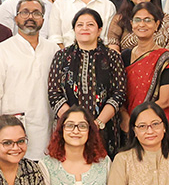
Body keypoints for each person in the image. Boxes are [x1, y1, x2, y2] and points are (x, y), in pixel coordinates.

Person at [0, 0, 60, 161]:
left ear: (43, 20)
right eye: (25, 12)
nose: (30, 17)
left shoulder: (53, 50)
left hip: (45, 125)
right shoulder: (1, 51)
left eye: (36, 13)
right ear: (16, 18)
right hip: (11, 129)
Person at [48, 9, 127, 154]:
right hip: (69, 130)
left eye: (90, 24)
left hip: (104, 128)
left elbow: (119, 93)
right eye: (80, 25)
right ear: (74, 30)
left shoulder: (112, 57)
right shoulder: (61, 56)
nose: (84, 28)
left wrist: (98, 123)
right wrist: (74, 124)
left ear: (99, 30)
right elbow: (54, 94)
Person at [122, 1, 169, 139]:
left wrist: (139, 118)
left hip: (160, 124)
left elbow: (165, 101)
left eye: (148, 20)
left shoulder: (165, 58)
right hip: (130, 125)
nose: (142, 24)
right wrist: (125, 117)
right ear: (131, 24)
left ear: (157, 25)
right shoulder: (124, 56)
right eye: (137, 20)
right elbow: (119, 93)